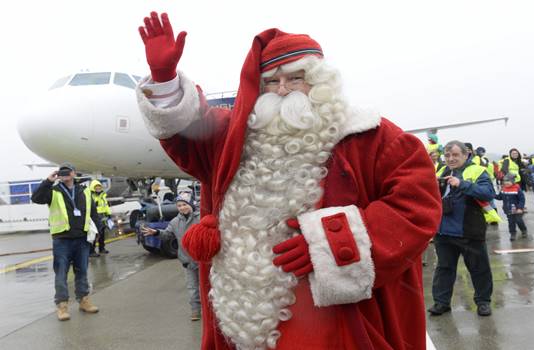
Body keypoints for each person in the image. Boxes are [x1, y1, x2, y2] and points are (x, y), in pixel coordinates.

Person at [136, 12, 442, 350]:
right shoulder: (234, 138)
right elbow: (189, 133)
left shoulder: (373, 137)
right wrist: (164, 80)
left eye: (295, 79)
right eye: (271, 81)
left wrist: (329, 243)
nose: (282, 90)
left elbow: (416, 207)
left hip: (335, 319)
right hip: (244, 314)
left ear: (319, 83)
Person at [429, 141, 495, 317]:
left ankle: (483, 302)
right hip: (443, 232)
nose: (451, 159)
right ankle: (441, 303)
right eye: (448, 155)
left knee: (479, 269)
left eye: (455, 155)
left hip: (469, 230)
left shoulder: (477, 170)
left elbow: (488, 193)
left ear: (466, 155)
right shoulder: (441, 171)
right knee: (444, 268)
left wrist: (462, 184)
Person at [31, 163, 102, 321]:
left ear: (74, 173)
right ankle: (62, 306)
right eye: (62, 172)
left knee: (82, 271)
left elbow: (93, 212)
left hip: (82, 238)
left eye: (68, 171)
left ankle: (84, 301)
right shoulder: (53, 191)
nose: (65, 174)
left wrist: (98, 231)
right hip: (62, 239)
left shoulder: (84, 191)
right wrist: (48, 181)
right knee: (61, 273)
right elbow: (35, 198)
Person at [141, 192, 202, 321]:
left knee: (207, 286)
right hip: (187, 260)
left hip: (203, 261)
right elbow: (167, 234)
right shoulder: (175, 222)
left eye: (184, 205)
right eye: (179, 206)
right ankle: (195, 310)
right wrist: (157, 232)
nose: (181, 208)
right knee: (192, 288)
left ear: (191, 204)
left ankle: (211, 310)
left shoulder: (201, 218)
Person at [495, 173, 527, 241]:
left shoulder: (517, 188)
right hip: (508, 209)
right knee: (511, 222)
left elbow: (522, 199)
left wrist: (520, 208)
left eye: (508, 181)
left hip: (517, 209)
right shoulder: (503, 189)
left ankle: (524, 230)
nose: (506, 183)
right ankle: (513, 234)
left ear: (512, 181)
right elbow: (500, 197)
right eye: (505, 181)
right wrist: (493, 195)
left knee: (519, 221)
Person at [89, 180, 111, 257]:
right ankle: (91, 251)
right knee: (95, 234)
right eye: (96, 187)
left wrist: (108, 214)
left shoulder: (103, 195)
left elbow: (106, 205)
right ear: (93, 188)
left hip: (103, 216)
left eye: (99, 187)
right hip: (94, 216)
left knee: (102, 233)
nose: (98, 188)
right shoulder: (90, 196)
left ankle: (102, 248)